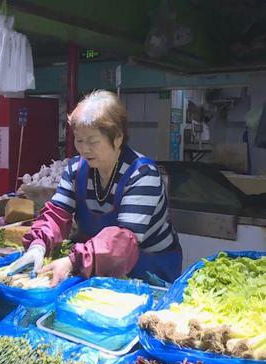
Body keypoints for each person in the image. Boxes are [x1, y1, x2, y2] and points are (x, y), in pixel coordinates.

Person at [11, 90, 182, 287]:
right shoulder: (76, 169)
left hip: (152, 272)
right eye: (79, 140)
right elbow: (57, 214)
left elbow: (124, 240)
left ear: (117, 137)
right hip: (99, 267)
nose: (84, 149)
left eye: (92, 141)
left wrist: (72, 261)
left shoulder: (142, 174)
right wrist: (38, 245)